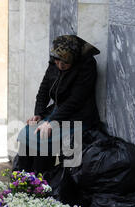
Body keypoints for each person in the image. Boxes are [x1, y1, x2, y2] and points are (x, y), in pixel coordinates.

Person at [14, 35, 101, 174]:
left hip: (78, 116)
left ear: (73, 58)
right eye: (57, 61)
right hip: (57, 112)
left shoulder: (86, 67)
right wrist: (38, 114)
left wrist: (51, 122)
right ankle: (22, 181)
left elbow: (76, 101)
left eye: (65, 63)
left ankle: (41, 183)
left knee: (42, 137)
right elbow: (43, 90)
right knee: (26, 133)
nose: (60, 65)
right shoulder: (55, 62)